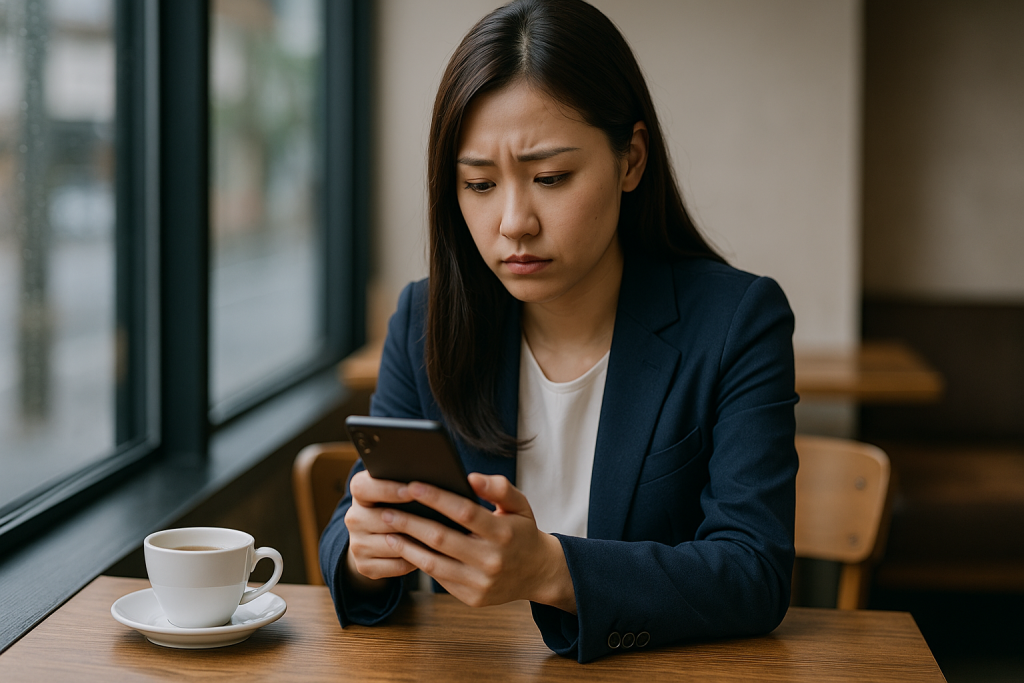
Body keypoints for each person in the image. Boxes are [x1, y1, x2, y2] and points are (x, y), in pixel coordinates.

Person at [320, 0, 798, 663]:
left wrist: (547, 568)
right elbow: (347, 536)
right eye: (479, 184)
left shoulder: (738, 321)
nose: (514, 221)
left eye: (549, 177)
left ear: (631, 159)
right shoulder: (425, 321)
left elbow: (753, 572)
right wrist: (366, 553)